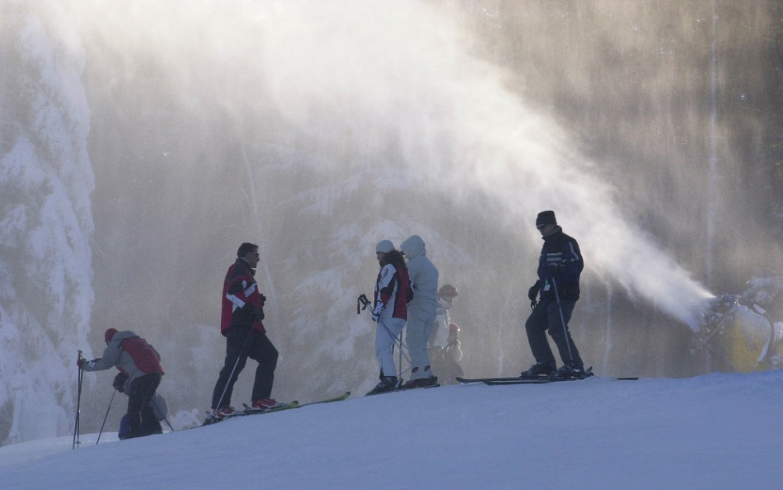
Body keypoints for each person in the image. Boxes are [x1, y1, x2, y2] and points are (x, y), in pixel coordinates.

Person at [210, 242, 281, 419]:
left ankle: (260, 399)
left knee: (269, 355)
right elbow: (232, 292)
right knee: (234, 364)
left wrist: (257, 301)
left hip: (251, 326)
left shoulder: (246, 272)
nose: (258, 258)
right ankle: (220, 406)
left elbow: (242, 292)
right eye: (256, 254)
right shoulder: (238, 268)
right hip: (239, 326)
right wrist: (250, 307)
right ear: (247, 254)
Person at [523, 210, 587, 378]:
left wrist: (560, 268)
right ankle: (545, 363)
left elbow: (576, 265)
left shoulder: (567, 242)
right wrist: (538, 285)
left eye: (543, 226)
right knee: (533, 325)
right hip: (548, 295)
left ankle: (574, 365)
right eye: (538, 228)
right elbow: (545, 274)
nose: (540, 230)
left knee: (557, 328)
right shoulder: (547, 245)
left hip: (564, 294)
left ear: (552, 224)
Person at [78, 328, 165, 439]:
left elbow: (106, 362)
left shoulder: (116, 343)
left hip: (142, 375)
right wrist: (128, 372)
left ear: (109, 341)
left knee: (134, 407)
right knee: (143, 404)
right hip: (156, 373)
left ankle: (135, 435)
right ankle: (155, 431)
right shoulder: (138, 340)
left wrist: (84, 365)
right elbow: (157, 356)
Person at [367, 239, 412, 395]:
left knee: (382, 347)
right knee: (386, 346)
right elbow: (409, 294)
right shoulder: (402, 269)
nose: (377, 258)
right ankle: (388, 376)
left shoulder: (389, 268)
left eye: (378, 254)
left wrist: (379, 308)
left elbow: (386, 289)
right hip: (400, 315)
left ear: (384, 253)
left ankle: (389, 379)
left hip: (390, 314)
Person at [399, 235, 439, 388]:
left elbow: (405, 283)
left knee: (413, 342)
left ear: (412, 249)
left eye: (406, 252)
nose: (406, 256)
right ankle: (424, 373)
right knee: (421, 343)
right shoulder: (431, 267)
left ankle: (419, 375)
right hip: (431, 310)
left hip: (418, 307)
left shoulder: (415, 264)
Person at [430, 284, 459, 349]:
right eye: (450, 296)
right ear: (444, 295)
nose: (451, 299)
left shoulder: (445, 311)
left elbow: (443, 331)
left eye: (452, 296)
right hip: (431, 349)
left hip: (440, 349)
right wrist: (430, 346)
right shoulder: (434, 308)